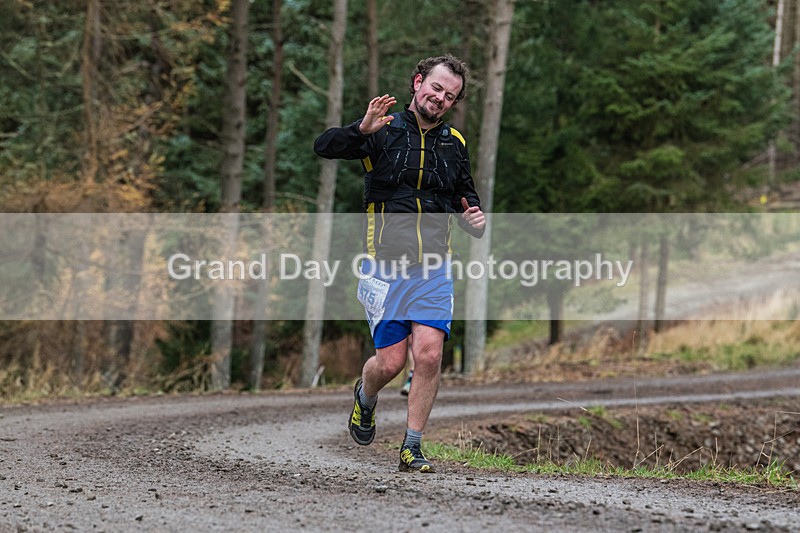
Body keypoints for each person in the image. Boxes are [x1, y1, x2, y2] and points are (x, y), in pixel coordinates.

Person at [313, 54, 485, 473]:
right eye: (436, 88)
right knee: (389, 363)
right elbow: (324, 146)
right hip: (383, 266)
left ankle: (412, 445)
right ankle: (365, 397)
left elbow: (466, 200)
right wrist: (360, 130)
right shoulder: (382, 131)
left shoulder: (455, 144)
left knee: (427, 356)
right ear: (417, 82)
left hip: (434, 268)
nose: (440, 98)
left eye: (450, 95)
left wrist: (473, 220)